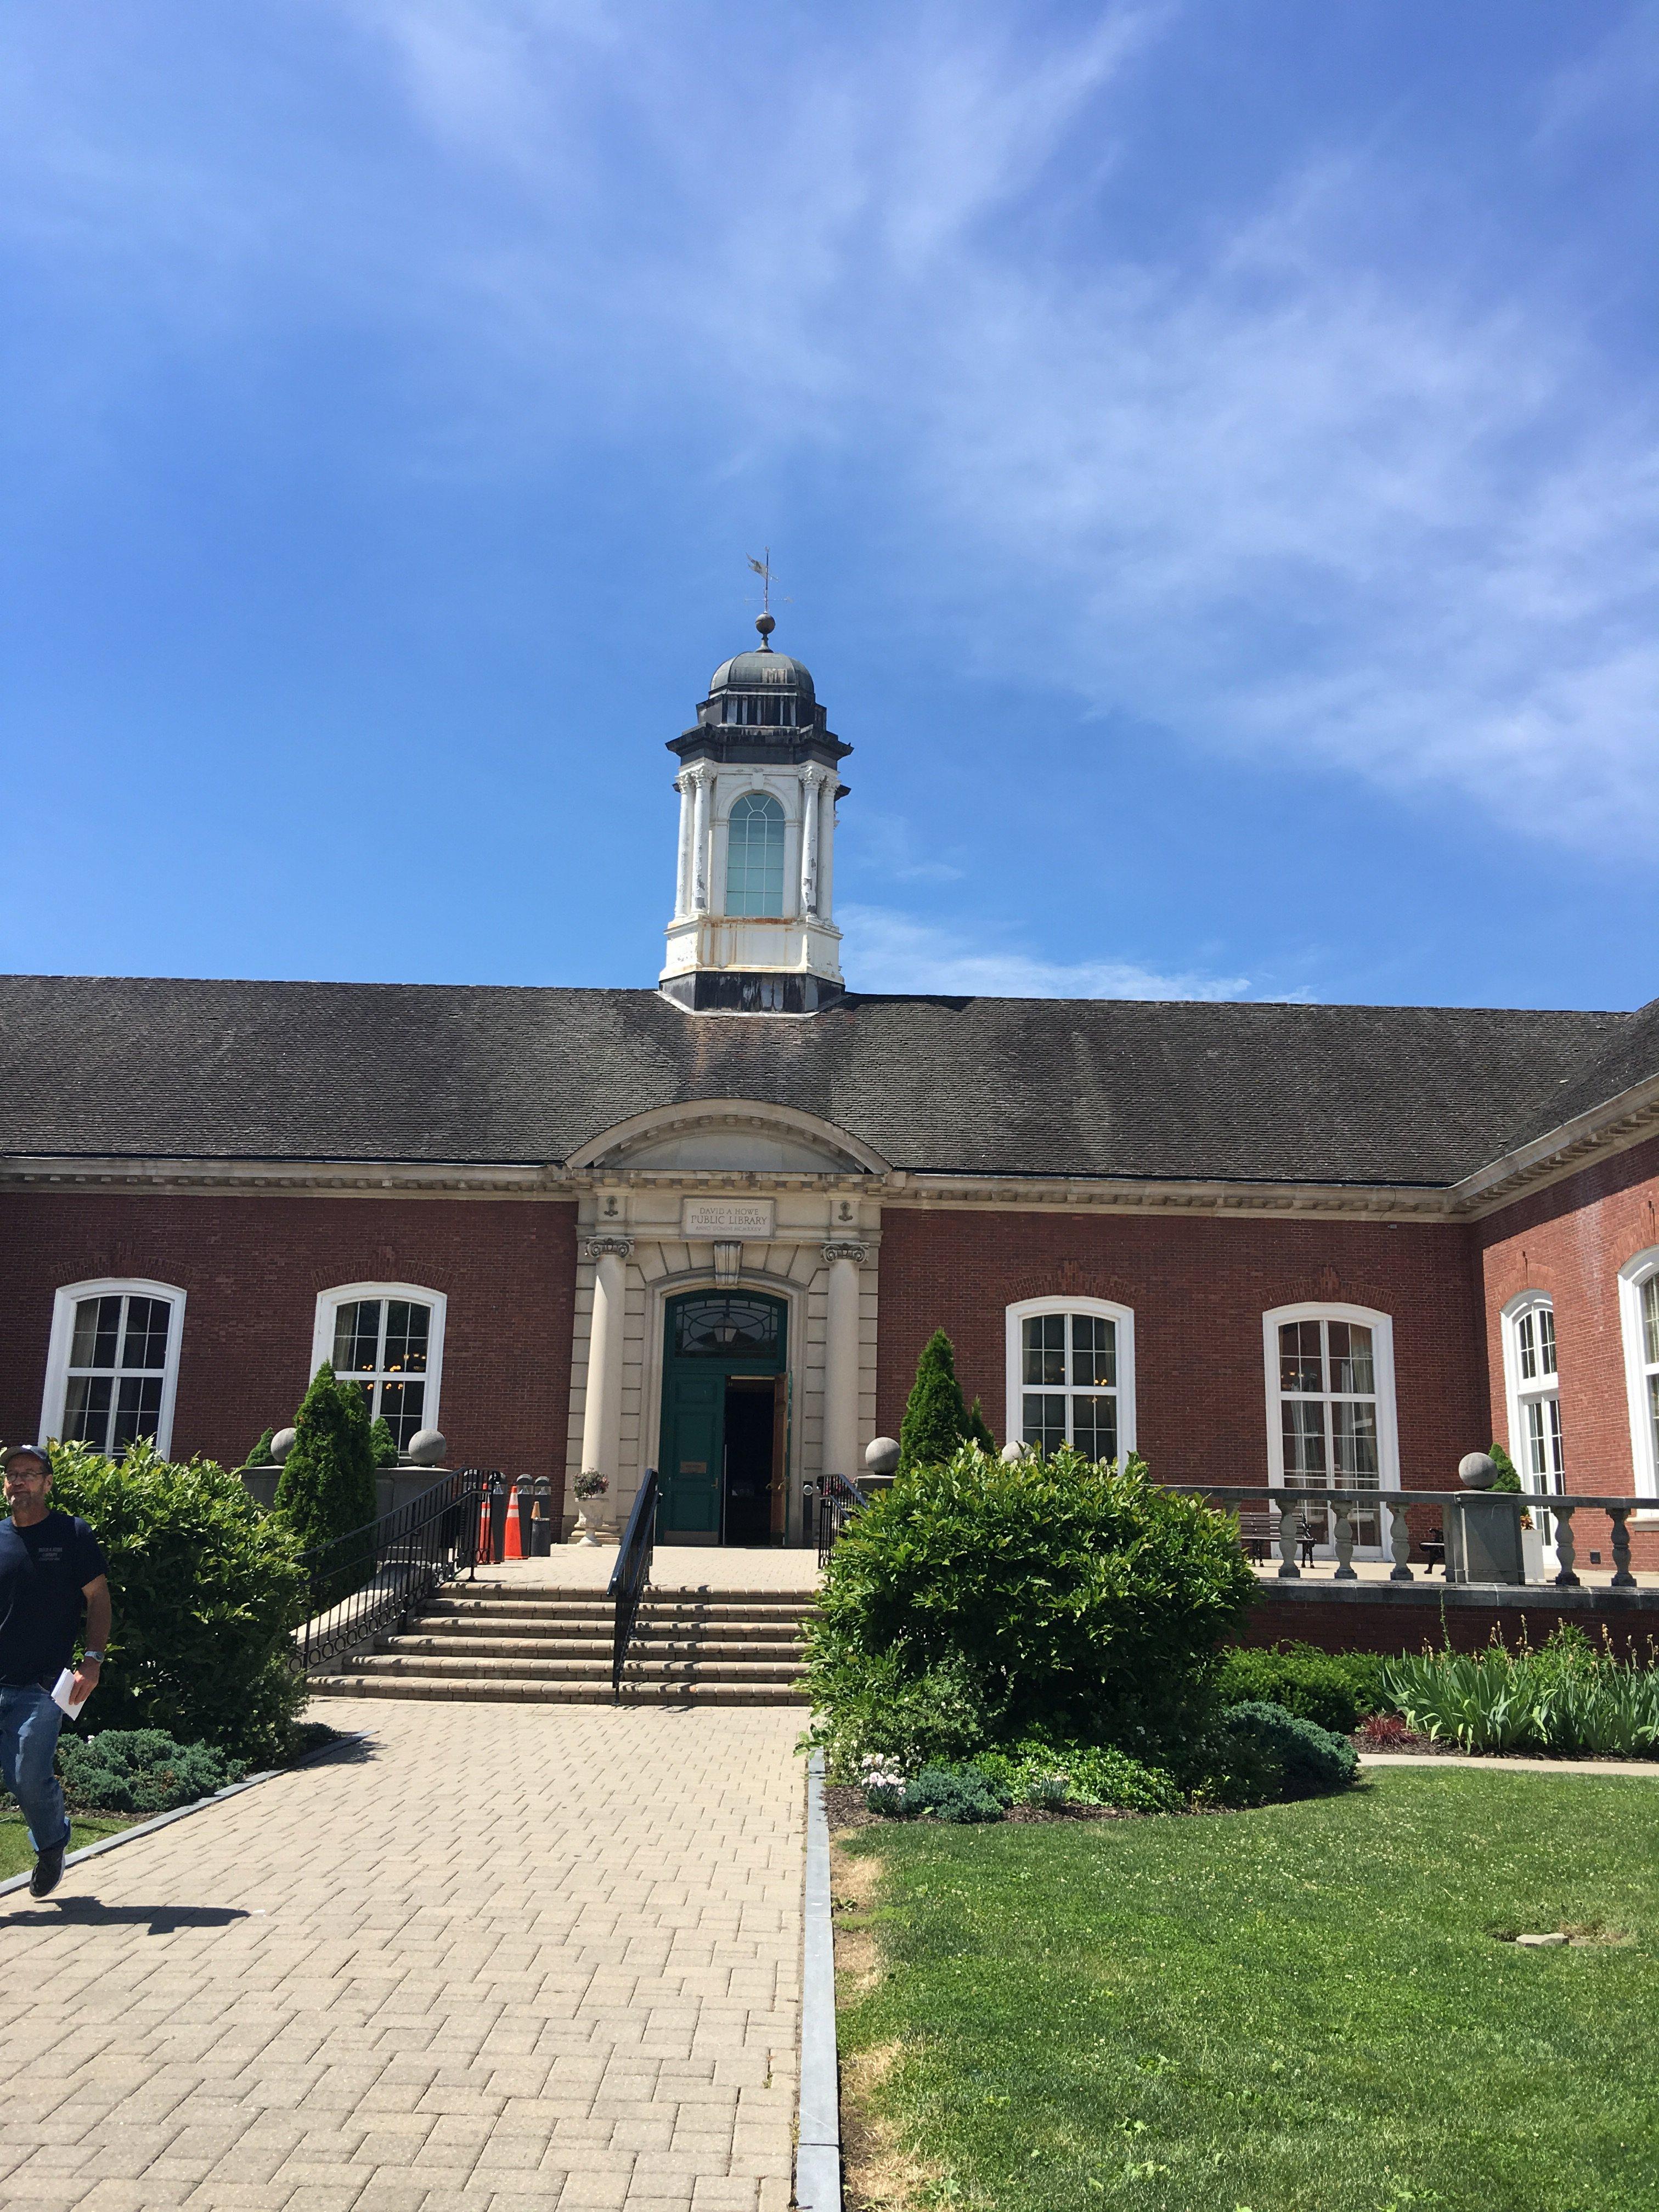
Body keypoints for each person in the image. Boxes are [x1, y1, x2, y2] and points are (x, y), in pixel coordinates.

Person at [1, 1443, 111, 1899]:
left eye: (30, 1473)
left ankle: (51, 1844)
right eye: (12, 1474)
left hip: (43, 1685)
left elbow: (99, 1599)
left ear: (47, 1483)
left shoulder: (71, 1534)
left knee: (27, 1776)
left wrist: (93, 1660)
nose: (19, 1480)